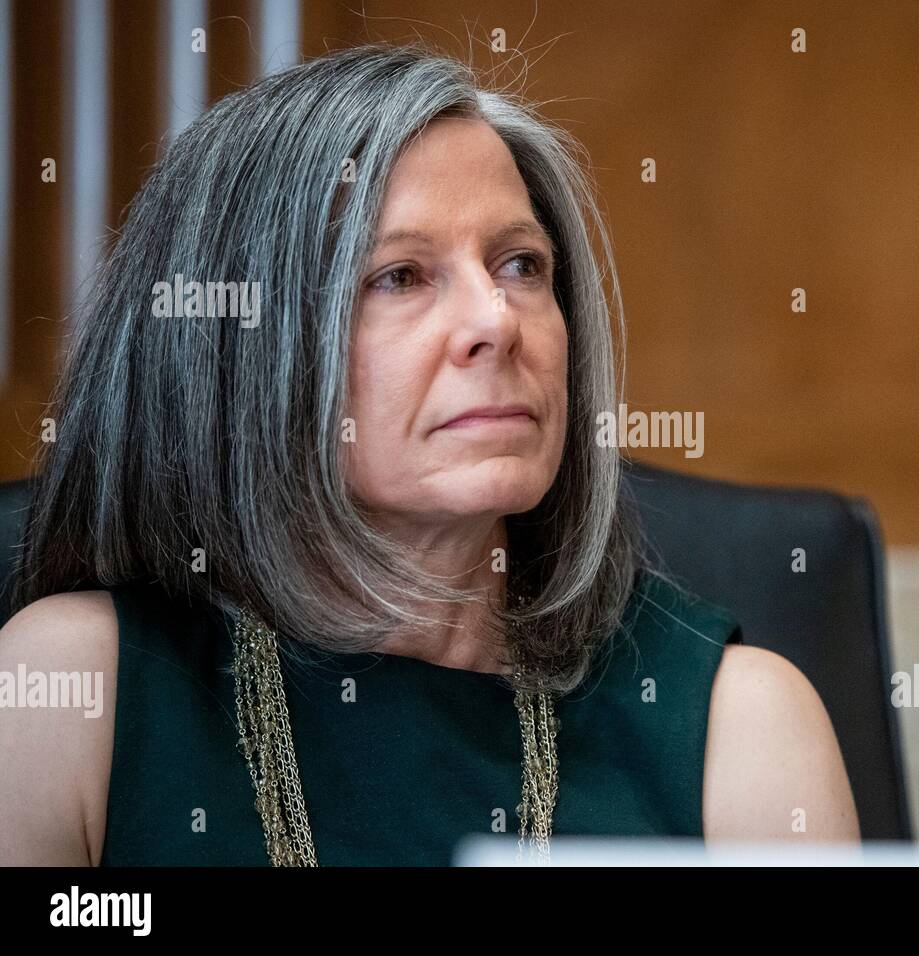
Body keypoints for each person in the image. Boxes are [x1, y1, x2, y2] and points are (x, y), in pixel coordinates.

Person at [0, 44, 858, 866]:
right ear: (234, 352)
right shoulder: (74, 694)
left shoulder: (738, 725)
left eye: (521, 264)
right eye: (400, 277)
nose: (496, 320)